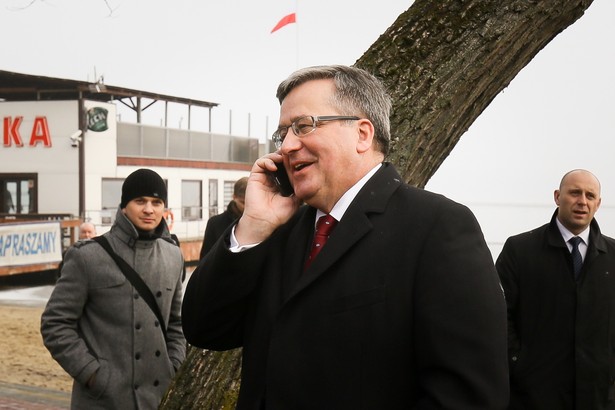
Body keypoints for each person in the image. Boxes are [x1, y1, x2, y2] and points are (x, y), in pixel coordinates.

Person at [181, 65, 509, 409]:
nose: (288, 146)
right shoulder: (277, 227)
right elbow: (205, 328)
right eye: (282, 135)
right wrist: (253, 226)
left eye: (303, 126)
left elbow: (469, 396)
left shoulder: (438, 226)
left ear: (362, 134)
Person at [41, 168, 186, 409]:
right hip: (103, 400)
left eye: (156, 202)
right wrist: (93, 374)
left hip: (158, 398)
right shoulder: (87, 256)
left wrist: (173, 365)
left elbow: (176, 324)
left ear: (164, 208)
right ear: (123, 206)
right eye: (140, 201)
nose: (149, 209)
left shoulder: (173, 256)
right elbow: (55, 324)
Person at [496, 169, 615, 409]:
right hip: (533, 396)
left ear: (598, 203)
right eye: (574, 193)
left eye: (590, 196)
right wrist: (519, 363)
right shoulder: (520, 250)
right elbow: (497, 313)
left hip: (599, 397)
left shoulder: (613, 256)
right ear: (558, 196)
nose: (582, 201)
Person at [199, 176, 248, 259]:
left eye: (249, 202)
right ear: (234, 197)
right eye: (243, 202)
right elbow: (205, 259)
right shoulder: (214, 224)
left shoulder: (263, 224)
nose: (246, 206)